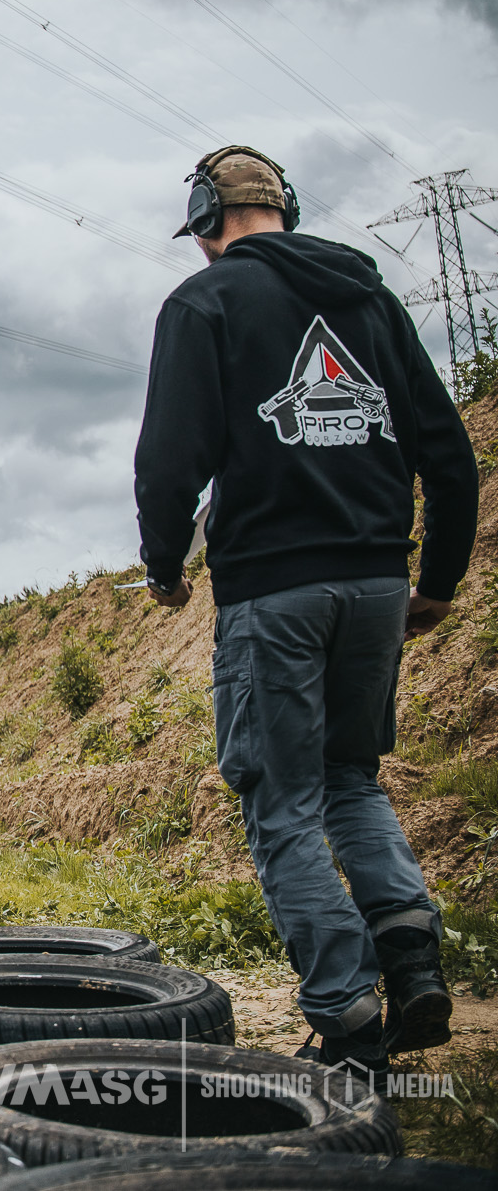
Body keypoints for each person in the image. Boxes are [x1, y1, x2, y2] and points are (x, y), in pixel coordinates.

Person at [134, 145, 474, 1069]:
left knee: (280, 802)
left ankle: (347, 1018)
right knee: (351, 779)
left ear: (206, 216)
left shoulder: (202, 302)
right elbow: (448, 456)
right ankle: (410, 955)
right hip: (376, 585)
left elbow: (170, 460)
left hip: (273, 592)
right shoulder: (370, 298)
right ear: (286, 205)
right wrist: (437, 582)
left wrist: (164, 565)